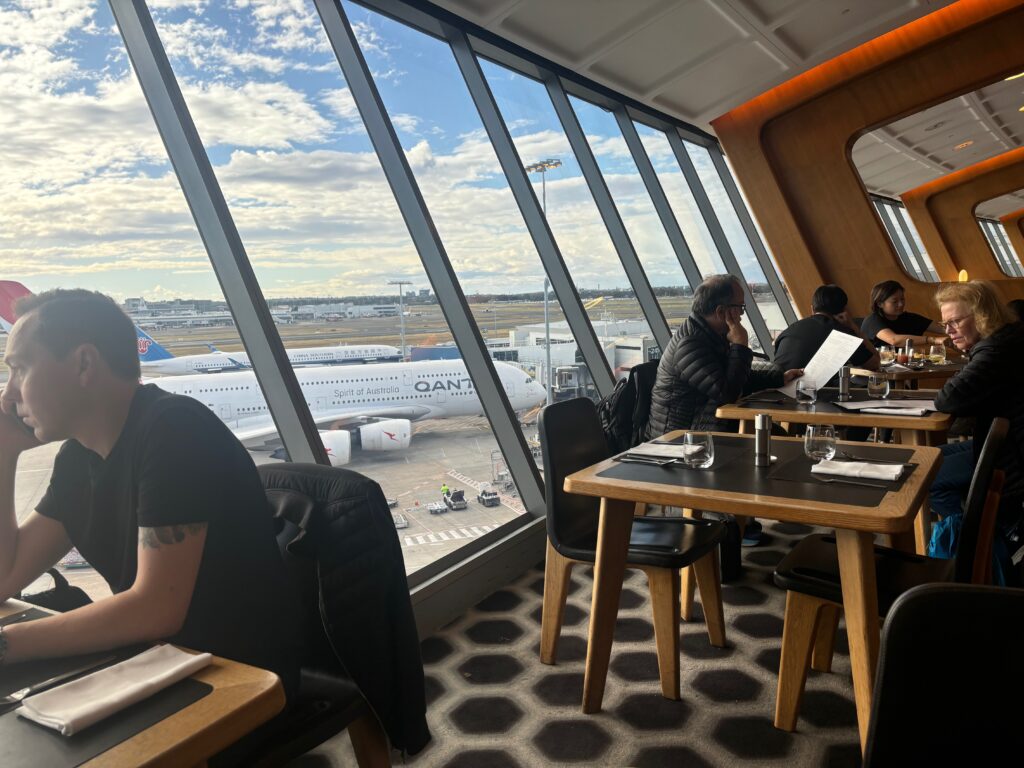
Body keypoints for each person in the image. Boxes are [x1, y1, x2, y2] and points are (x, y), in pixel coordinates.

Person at [0, 289, 299, 692]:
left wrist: (6, 645)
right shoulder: (77, 460)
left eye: (19, 368)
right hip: (159, 662)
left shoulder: (173, 429)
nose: (8, 394)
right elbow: (7, 576)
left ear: (84, 364)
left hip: (239, 680)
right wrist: (4, 452)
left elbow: (155, 610)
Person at [930, 281, 1024, 580]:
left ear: (982, 315)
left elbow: (948, 399)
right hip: (1004, 445)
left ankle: (983, 531)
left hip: (1013, 460)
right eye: (946, 323)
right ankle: (977, 520)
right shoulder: (1006, 340)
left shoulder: (996, 349)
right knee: (927, 456)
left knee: (926, 476)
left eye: (955, 321)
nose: (949, 331)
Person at [647, 274, 803, 437]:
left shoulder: (709, 335)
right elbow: (728, 394)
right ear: (721, 311)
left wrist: (779, 378)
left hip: (704, 425)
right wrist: (740, 345)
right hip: (681, 439)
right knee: (776, 439)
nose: (742, 314)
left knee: (777, 437)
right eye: (740, 307)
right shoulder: (690, 344)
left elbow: (736, 377)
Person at [774, 284, 880, 373]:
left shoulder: (790, 329)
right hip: (810, 394)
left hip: (775, 390)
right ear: (843, 310)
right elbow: (875, 364)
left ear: (812, 308)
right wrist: (853, 327)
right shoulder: (842, 333)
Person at [860, 279, 946, 349]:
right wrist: (932, 339)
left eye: (902, 299)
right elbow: (893, 340)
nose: (901, 304)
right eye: (895, 301)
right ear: (880, 304)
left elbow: (944, 328)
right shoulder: (872, 321)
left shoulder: (909, 318)